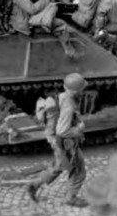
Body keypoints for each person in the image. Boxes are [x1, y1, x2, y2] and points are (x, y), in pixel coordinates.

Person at [27, 73, 89, 208]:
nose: (83, 91)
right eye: (82, 89)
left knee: (58, 166)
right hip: (66, 143)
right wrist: (79, 129)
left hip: (57, 141)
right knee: (78, 170)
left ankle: (35, 183)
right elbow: (63, 131)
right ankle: (71, 198)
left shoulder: (62, 96)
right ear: (77, 91)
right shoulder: (69, 107)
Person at [11, 0, 77, 58]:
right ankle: (70, 52)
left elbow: (28, 0)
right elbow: (32, 9)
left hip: (26, 16)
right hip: (25, 21)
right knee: (61, 24)